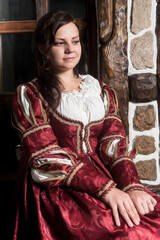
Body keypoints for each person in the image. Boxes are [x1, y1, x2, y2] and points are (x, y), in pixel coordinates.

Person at [12, 10, 160, 240]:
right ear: (43, 48)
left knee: (152, 218)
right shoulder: (31, 95)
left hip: (101, 176)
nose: (71, 49)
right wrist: (108, 191)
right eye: (60, 43)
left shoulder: (100, 91)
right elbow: (46, 156)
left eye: (75, 41)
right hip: (58, 185)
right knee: (128, 231)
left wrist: (132, 186)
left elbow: (114, 144)